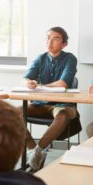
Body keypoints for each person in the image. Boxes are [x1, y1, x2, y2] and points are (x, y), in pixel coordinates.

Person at [22, 26, 77, 171]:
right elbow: (26, 78)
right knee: (11, 113)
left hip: (62, 104)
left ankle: (37, 152)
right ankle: (34, 150)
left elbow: (63, 83)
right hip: (40, 105)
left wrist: (41, 85)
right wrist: (30, 83)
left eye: (55, 39)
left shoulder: (70, 58)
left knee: (63, 115)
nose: (50, 42)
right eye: (48, 38)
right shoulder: (40, 58)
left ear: (64, 44)